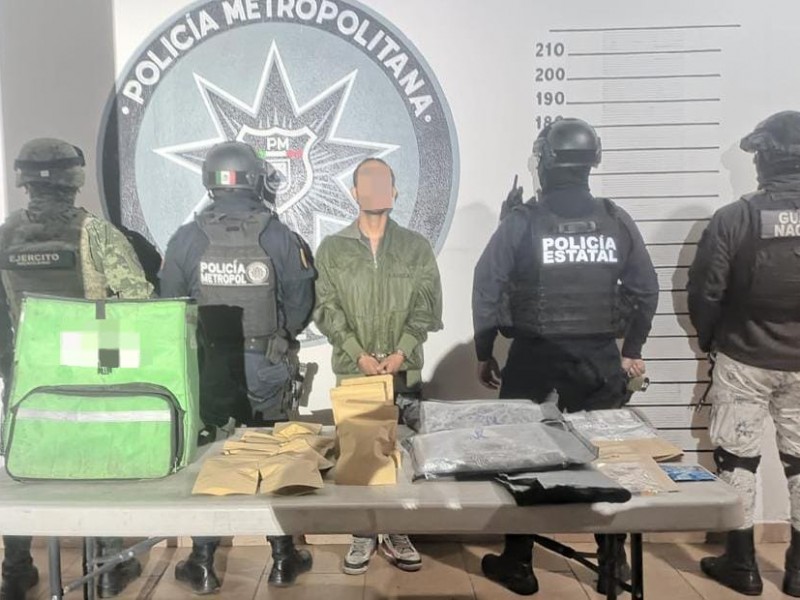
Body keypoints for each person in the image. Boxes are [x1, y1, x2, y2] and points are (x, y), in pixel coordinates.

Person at [472, 117, 659, 596]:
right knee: (604, 459)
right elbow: (645, 290)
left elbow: (487, 287)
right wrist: (631, 350)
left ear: (545, 163)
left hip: (533, 359)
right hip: (598, 361)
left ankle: (519, 562)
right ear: (591, 162)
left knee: (522, 458)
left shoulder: (523, 221)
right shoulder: (615, 219)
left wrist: (484, 353)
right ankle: (613, 563)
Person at [159, 141, 316, 594]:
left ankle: (203, 562)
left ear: (211, 180)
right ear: (254, 179)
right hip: (266, 363)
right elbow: (301, 303)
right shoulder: (279, 236)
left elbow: (169, 304)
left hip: (211, 366)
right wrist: (278, 338)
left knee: (214, 462)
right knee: (273, 458)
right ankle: (283, 559)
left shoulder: (187, 238)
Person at [0, 138, 152, 600]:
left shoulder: (5, 234)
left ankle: (16, 569)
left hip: (28, 374)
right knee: (99, 470)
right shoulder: (97, 234)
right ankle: (107, 566)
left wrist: (12, 370)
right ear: (75, 178)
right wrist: (114, 362)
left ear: (23, 179)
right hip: (90, 370)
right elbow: (138, 303)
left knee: (24, 471)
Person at [313, 157, 443, 576]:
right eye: (366, 182)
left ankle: (398, 530)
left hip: (404, 374)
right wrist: (358, 353)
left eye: (383, 181)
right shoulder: (332, 249)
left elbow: (427, 306)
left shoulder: (415, 247)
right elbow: (326, 308)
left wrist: (401, 351)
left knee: (402, 456)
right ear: (354, 192)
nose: (374, 189)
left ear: (395, 191)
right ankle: (362, 533)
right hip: (356, 376)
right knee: (359, 460)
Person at [689, 111, 800, 598]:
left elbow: (706, 291)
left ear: (766, 159)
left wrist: (711, 339)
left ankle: (742, 565)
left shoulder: (735, 218)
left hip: (744, 356)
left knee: (737, 460)